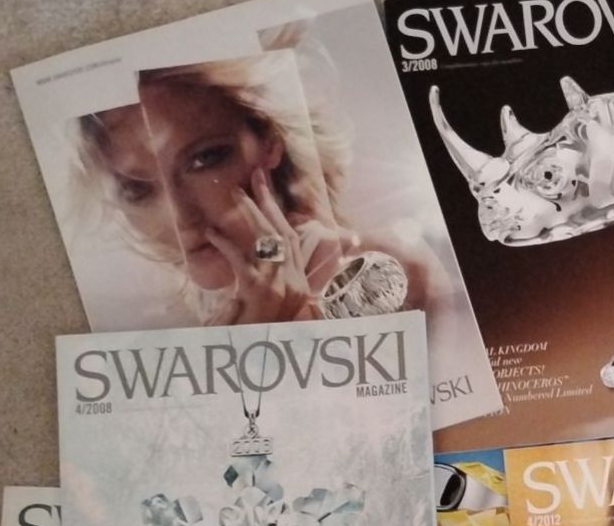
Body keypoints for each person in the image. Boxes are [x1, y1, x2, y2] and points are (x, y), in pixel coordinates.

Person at [71, 45, 445, 326]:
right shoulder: (194, 315)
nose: (182, 218)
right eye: (138, 189)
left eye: (205, 159)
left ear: (269, 142)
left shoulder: (376, 272)